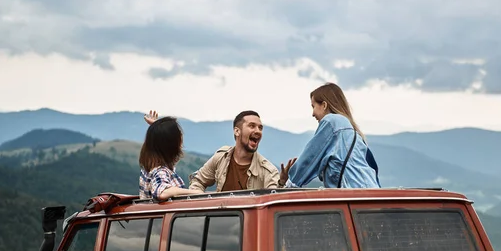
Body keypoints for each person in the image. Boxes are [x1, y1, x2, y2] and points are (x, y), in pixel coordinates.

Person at [145, 110, 295, 192]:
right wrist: (198, 207)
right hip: (219, 227)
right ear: (237, 131)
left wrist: (281, 182)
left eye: (260, 127)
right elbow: (198, 181)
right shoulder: (221, 158)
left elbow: (274, 200)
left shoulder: (268, 171)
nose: (258, 131)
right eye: (252, 126)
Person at [285, 82, 381, 189]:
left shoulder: (331, 121)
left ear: (324, 105)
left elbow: (311, 156)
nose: (312, 113)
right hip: (371, 193)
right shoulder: (353, 133)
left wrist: (290, 184)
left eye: (314, 106)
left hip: (355, 197)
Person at [139, 116, 202, 201]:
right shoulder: (160, 171)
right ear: (171, 144)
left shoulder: (149, 167)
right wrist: (195, 192)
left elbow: (156, 144)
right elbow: (161, 192)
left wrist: (156, 128)